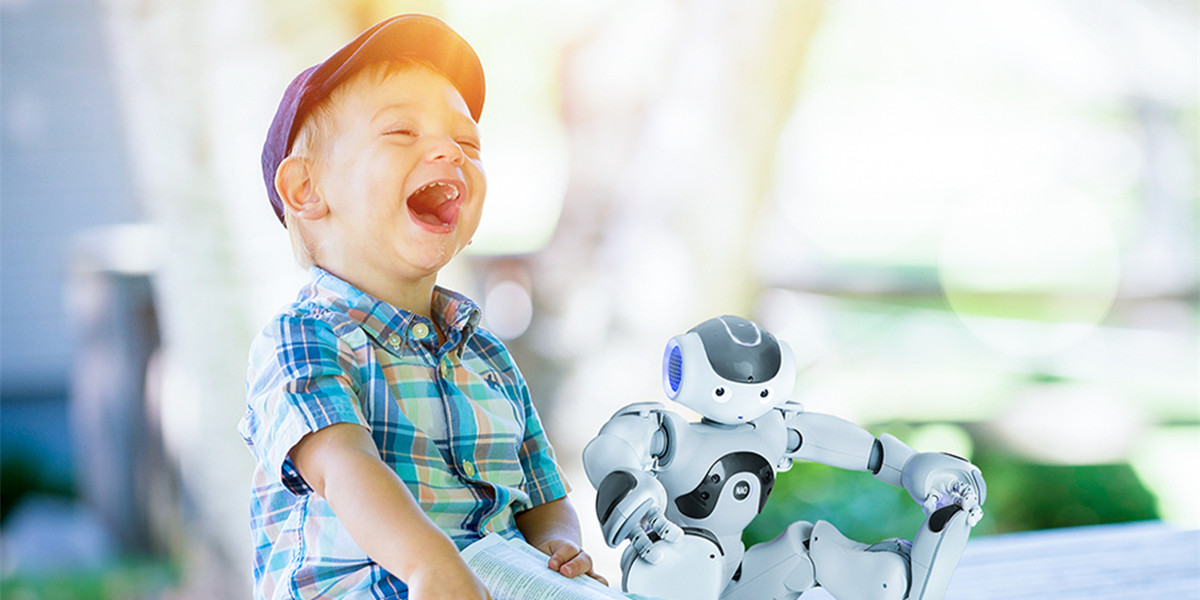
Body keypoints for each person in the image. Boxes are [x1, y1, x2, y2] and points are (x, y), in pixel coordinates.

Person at [238, 14, 603, 599]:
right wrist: (431, 566)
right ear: (307, 189)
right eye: (402, 132)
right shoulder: (302, 338)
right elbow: (343, 465)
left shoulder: (487, 356)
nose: (448, 151)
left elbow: (543, 495)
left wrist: (559, 544)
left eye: (467, 143)